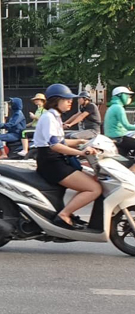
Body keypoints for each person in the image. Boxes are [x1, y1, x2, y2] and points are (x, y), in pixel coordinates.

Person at [33, 84, 100, 229]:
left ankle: (67, 212)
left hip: (57, 161)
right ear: (56, 100)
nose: (70, 101)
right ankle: (64, 215)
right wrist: (81, 152)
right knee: (94, 188)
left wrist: (82, 141)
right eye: (66, 99)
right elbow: (55, 146)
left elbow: (61, 141)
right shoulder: (49, 118)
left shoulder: (55, 117)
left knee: (94, 180)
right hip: (51, 163)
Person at [104, 86, 135, 158]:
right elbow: (127, 126)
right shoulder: (119, 108)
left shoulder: (112, 107)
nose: (129, 97)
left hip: (113, 137)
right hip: (120, 138)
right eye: (127, 95)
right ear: (120, 95)